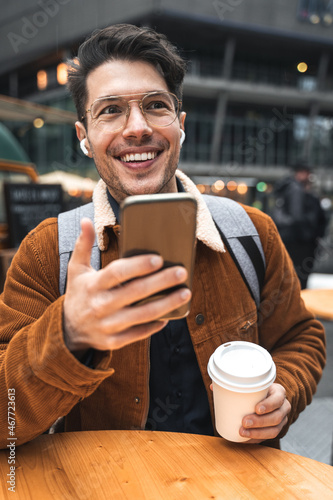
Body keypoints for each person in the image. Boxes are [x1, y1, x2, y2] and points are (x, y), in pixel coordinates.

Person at [0, 24, 326, 450]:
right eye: (110, 110)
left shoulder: (251, 233)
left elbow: (300, 338)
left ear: (181, 124)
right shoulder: (48, 252)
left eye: (156, 105)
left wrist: (284, 392)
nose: (137, 128)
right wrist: (68, 333)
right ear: (84, 137)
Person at [272, 163, 327, 289]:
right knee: (298, 277)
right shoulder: (296, 189)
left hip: (291, 238)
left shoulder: (288, 188)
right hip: (300, 241)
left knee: (290, 274)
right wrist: (309, 234)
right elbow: (297, 217)